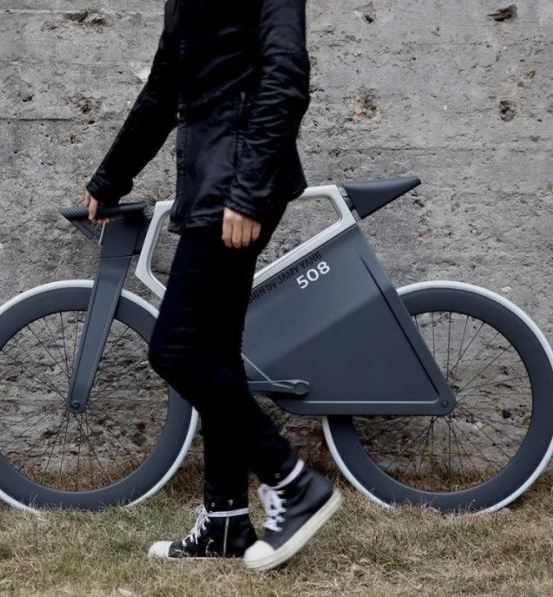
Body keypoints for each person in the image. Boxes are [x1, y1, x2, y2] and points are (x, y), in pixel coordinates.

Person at [83, 0, 340, 571]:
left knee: (176, 350)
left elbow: (286, 76)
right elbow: (162, 89)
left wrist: (248, 192)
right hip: (212, 185)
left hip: (237, 188)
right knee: (215, 352)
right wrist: (110, 177)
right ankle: (225, 521)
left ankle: (291, 481)